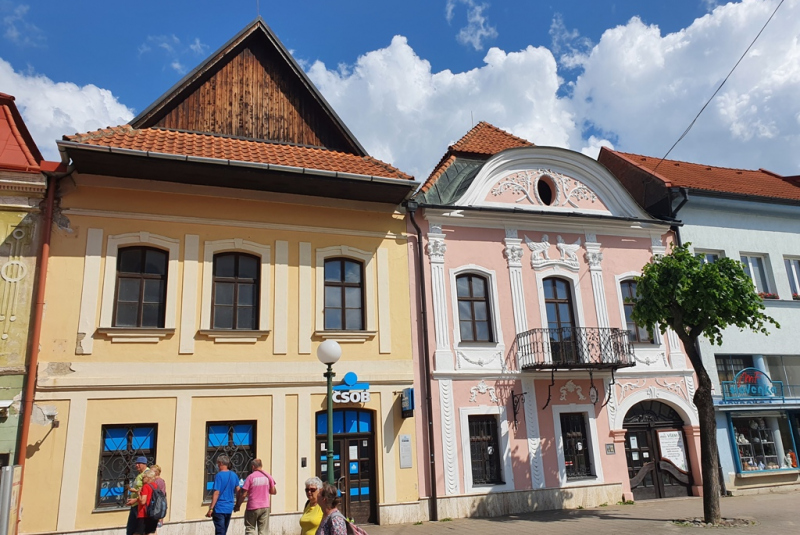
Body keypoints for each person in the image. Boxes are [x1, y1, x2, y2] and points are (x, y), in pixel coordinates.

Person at [237, 459, 276, 535]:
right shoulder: (268, 476)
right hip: (265, 506)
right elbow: (273, 491)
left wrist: (238, 505)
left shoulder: (250, 477)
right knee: (263, 531)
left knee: (250, 528)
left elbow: (244, 494)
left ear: (253, 466)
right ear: (261, 465)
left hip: (252, 506)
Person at [206, 455, 240, 535]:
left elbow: (216, 493)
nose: (217, 466)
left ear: (221, 463)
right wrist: (237, 504)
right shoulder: (234, 475)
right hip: (229, 507)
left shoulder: (219, 476)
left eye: (218, 464)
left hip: (219, 508)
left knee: (220, 532)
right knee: (224, 530)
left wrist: (211, 508)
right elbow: (238, 491)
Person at [126, 456, 149, 535]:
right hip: (135, 505)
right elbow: (140, 489)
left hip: (140, 506)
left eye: (139, 463)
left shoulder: (147, 475)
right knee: (132, 529)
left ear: (144, 464)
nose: (136, 465)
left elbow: (146, 492)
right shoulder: (140, 474)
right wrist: (134, 491)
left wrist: (135, 500)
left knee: (136, 530)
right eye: (136, 463)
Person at [135, 470, 158, 535]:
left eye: (144, 477)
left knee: (138, 533)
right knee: (151, 532)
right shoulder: (156, 486)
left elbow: (143, 501)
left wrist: (138, 494)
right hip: (154, 513)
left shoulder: (146, 486)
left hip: (144, 514)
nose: (142, 479)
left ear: (148, 478)